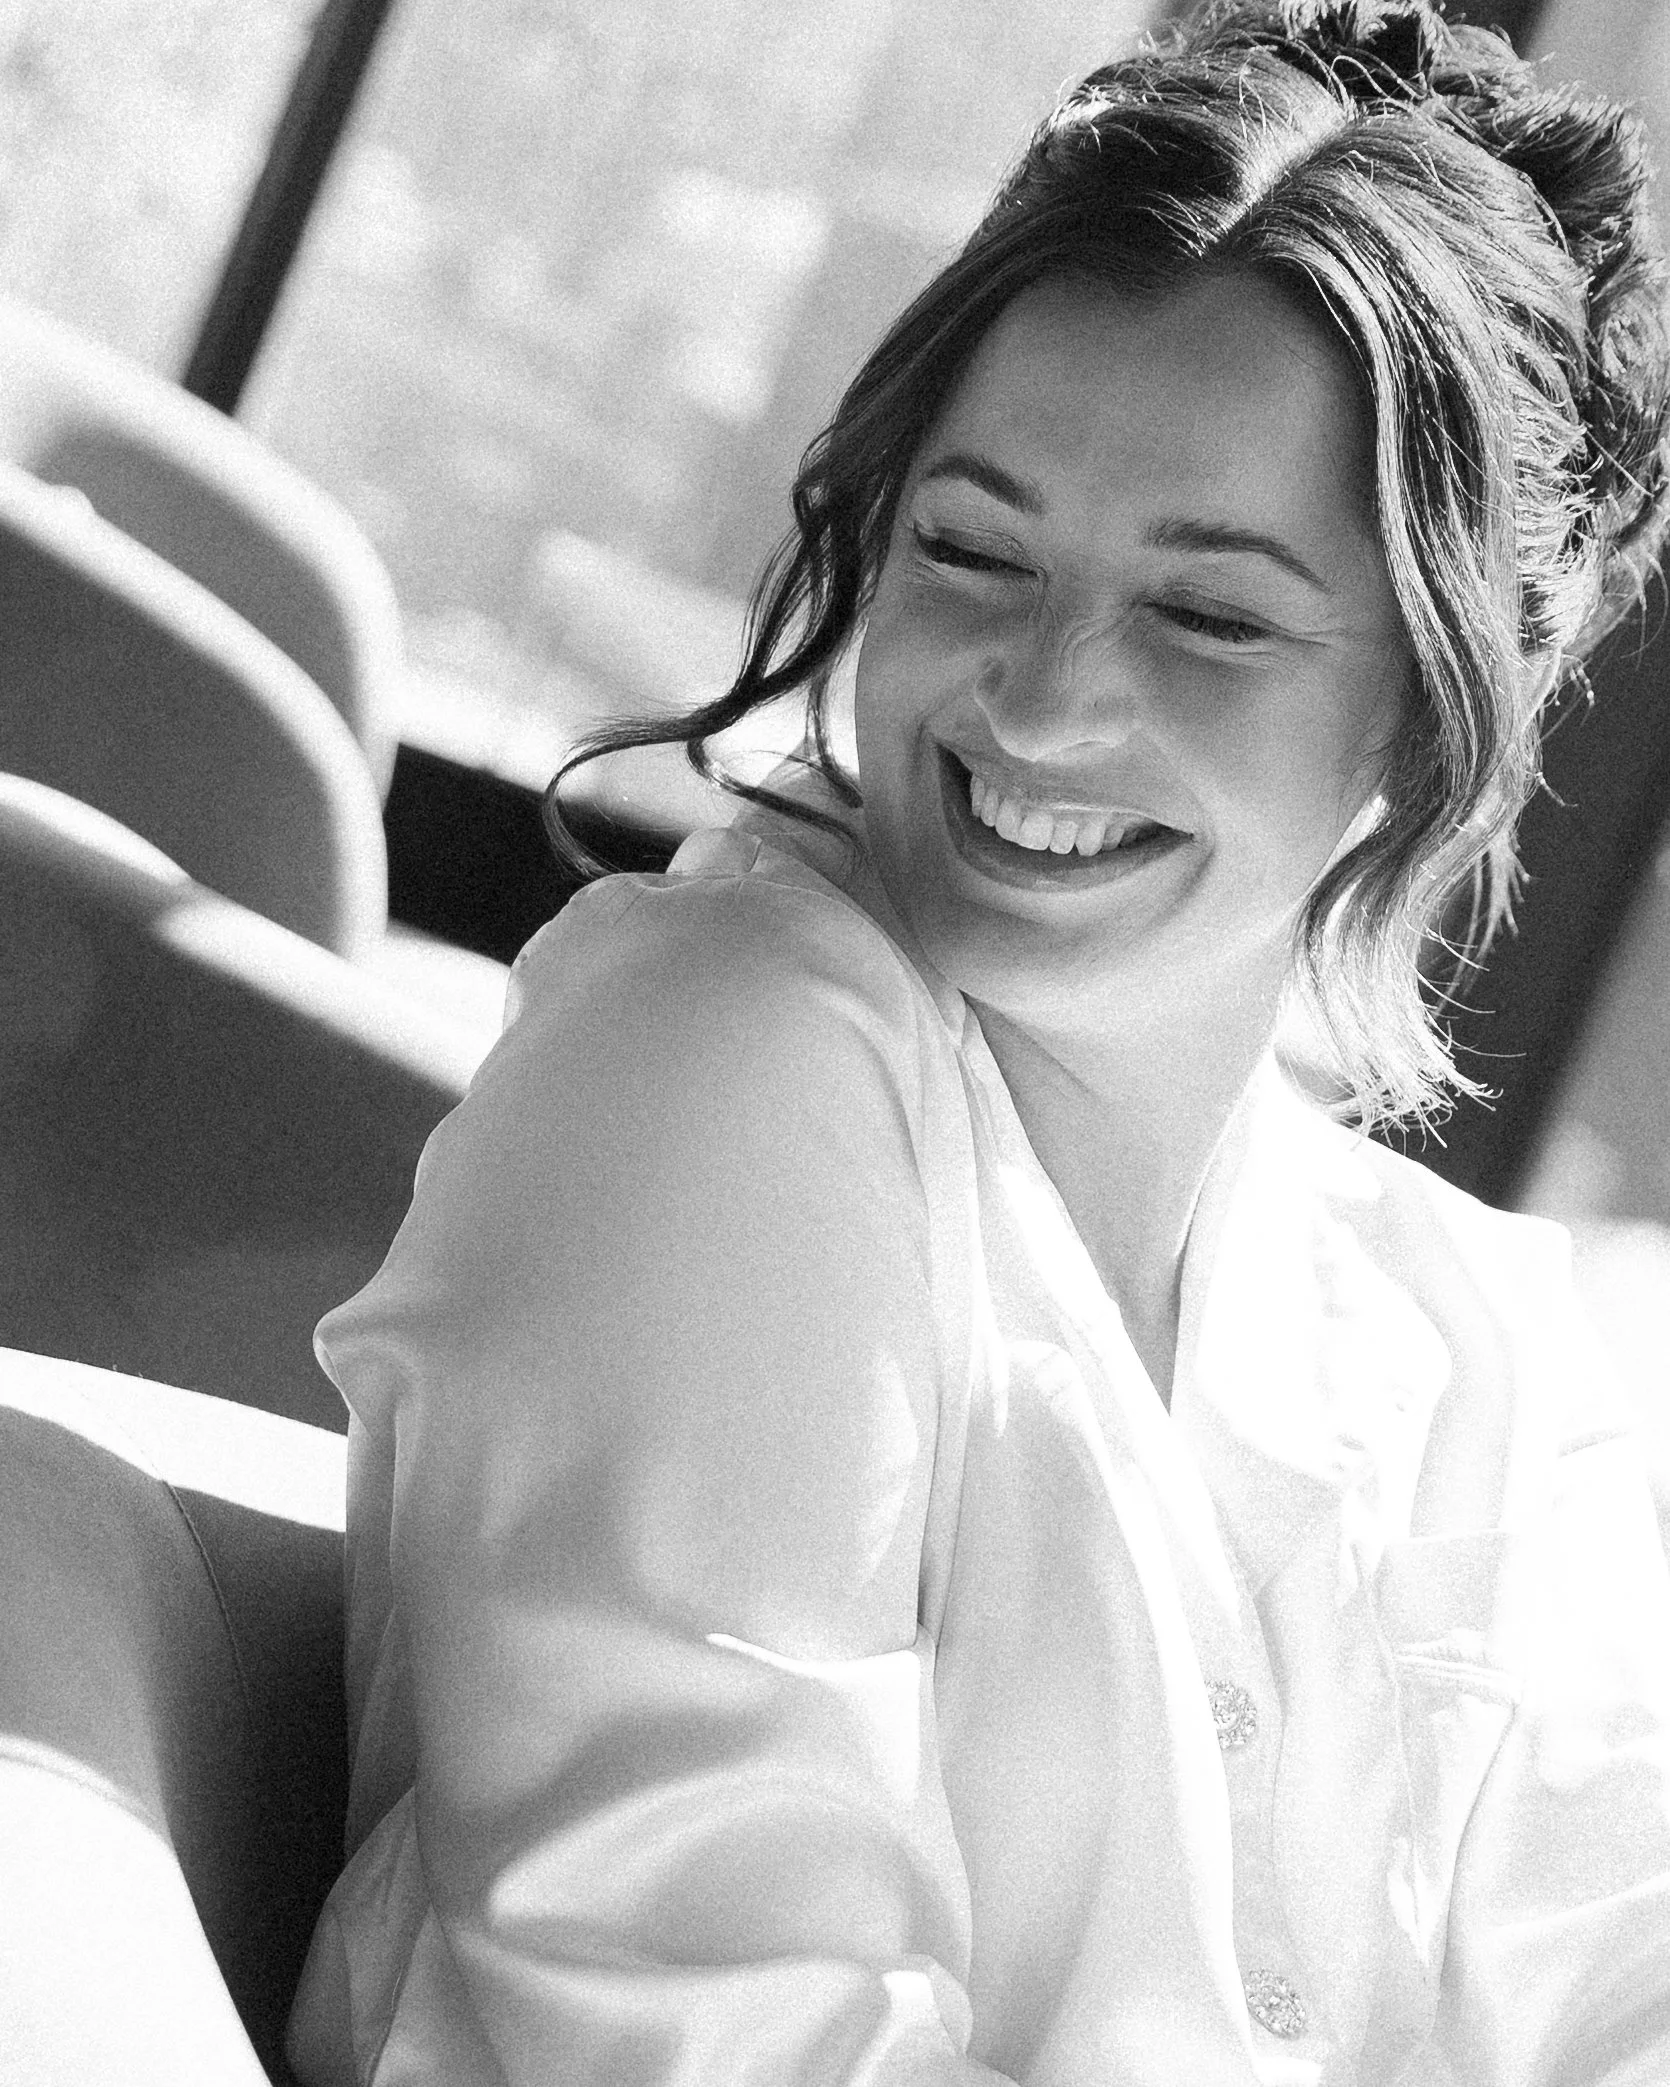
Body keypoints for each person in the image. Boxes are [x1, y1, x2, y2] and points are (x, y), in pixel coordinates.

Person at [286, 3, 1670, 2080]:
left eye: (1207, 614)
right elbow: (711, 2031)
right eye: (970, 550)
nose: (1033, 706)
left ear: (1442, 695)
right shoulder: (723, 1058)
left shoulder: (1472, 1339)